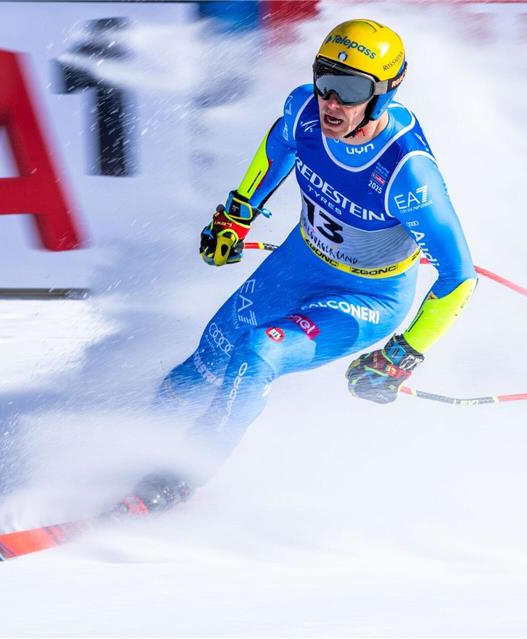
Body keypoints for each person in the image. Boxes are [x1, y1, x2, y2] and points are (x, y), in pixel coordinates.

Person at [157, 18, 477, 477]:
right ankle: (132, 438)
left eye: (348, 90)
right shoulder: (303, 112)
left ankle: (182, 473)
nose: (330, 102)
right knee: (205, 362)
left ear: (383, 93)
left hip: (366, 299)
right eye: (324, 80)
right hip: (298, 262)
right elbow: (281, 144)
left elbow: (460, 277)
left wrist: (402, 354)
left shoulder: (409, 175)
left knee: (256, 353)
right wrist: (237, 212)